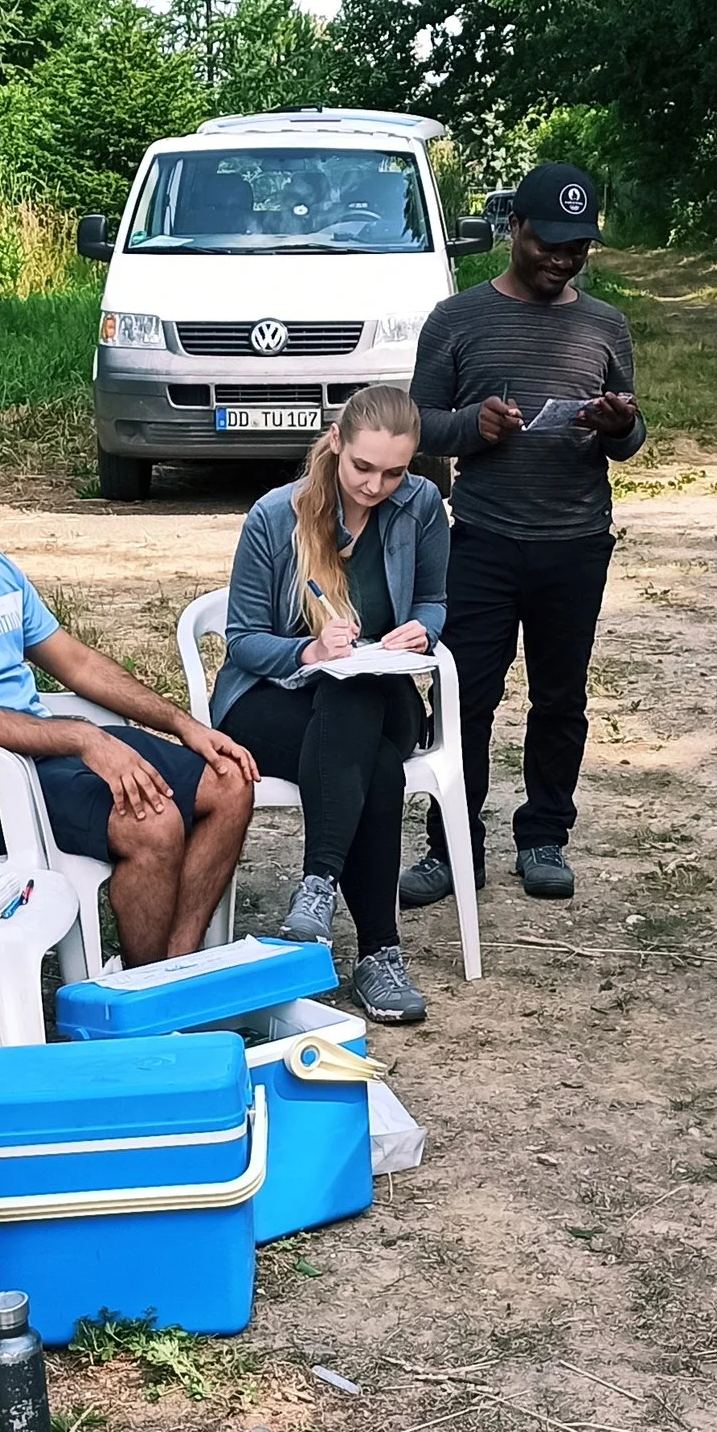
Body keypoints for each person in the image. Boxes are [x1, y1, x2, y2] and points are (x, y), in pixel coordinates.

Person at [0, 399, 257, 967]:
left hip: (41, 758)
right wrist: (84, 737)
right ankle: (141, 997)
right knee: (151, 821)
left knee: (229, 780)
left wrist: (186, 725)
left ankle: (170, 973)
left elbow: (78, 664)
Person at [402, 161, 643, 907]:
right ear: (515, 229)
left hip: (575, 540)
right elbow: (414, 428)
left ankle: (544, 836)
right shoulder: (458, 319)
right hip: (482, 538)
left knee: (560, 697)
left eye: (577, 248)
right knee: (466, 697)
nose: (563, 260)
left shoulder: (604, 324)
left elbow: (631, 439)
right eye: (549, 243)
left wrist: (620, 424)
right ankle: (450, 847)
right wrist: (472, 426)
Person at [213, 386, 448, 1023]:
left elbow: (435, 600)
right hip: (275, 698)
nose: (376, 486)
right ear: (337, 442)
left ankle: (318, 889)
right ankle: (379, 954)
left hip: (382, 690)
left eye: (394, 472)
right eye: (363, 468)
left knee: (359, 696)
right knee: (370, 758)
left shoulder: (422, 506)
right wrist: (309, 653)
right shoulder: (274, 515)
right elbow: (242, 640)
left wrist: (421, 629)